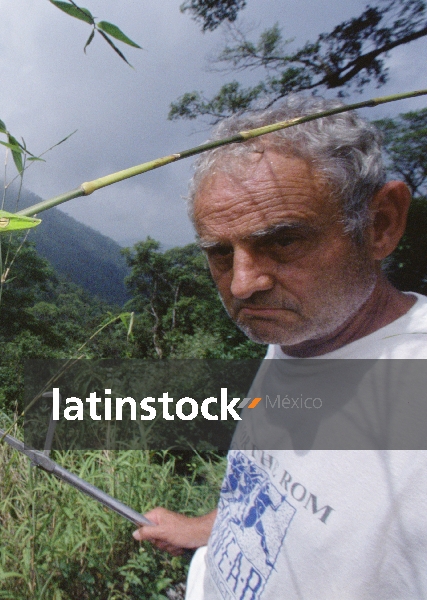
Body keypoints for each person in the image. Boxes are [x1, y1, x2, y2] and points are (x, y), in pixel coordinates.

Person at [132, 96, 427, 599]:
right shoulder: (301, 334)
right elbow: (276, 486)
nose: (243, 283)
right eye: (220, 252)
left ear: (380, 224)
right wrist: (207, 527)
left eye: (283, 241)